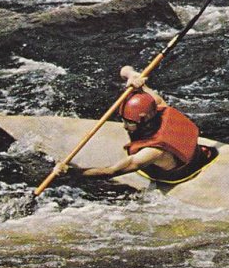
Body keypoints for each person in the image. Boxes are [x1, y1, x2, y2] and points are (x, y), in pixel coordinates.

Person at [75, 66, 214, 183]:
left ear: (144, 122)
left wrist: (70, 174)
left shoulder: (152, 152)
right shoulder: (158, 105)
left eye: (129, 123)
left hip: (178, 173)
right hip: (199, 153)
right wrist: (132, 76)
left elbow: (110, 171)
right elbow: (125, 69)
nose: (124, 127)